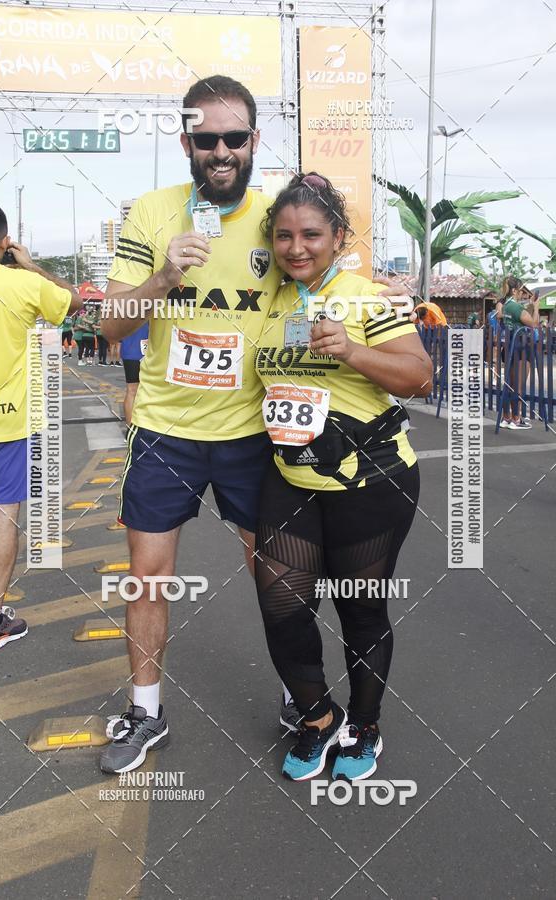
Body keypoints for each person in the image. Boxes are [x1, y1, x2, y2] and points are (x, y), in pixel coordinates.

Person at [99, 75, 286, 774]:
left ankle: (300, 694)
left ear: (253, 142)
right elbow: (110, 323)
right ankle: (145, 713)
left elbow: (326, 289)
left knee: (275, 571)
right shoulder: (151, 213)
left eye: (233, 138)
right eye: (205, 139)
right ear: (185, 142)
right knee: (148, 578)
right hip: (165, 433)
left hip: (249, 432)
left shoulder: (276, 217)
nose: (220, 151)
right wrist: (159, 281)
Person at [253, 173, 432, 781]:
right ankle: (317, 718)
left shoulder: (369, 298)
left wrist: (351, 350)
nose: (296, 247)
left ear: (337, 238)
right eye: (283, 236)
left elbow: (418, 376)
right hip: (290, 477)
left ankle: (365, 723)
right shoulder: (267, 299)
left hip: (373, 481)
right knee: (281, 606)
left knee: (359, 609)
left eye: (310, 234)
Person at [0, 201, 81, 649]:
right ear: (5, 242)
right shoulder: (25, 283)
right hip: (12, 424)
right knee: (4, 517)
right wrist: (32, 266)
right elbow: (77, 300)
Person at [498, 280, 540, 429]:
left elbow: (518, 318)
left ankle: (506, 418)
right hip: (522, 347)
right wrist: (536, 308)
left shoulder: (506, 306)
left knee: (509, 384)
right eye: (521, 291)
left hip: (509, 347)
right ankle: (516, 419)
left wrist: (528, 305)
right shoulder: (515, 307)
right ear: (515, 291)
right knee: (519, 385)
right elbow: (534, 323)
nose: (523, 294)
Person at [119, 321, 149, 425]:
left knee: (138, 390)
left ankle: (138, 426)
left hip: (145, 350)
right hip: (134, 349)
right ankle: (131, 428)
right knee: (132, 390)